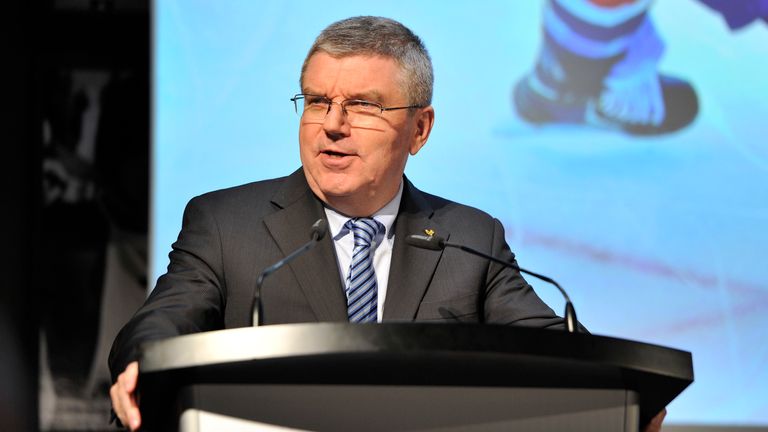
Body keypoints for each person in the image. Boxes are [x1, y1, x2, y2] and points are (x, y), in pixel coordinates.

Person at [109, 16, 665, 431]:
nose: (332, 125)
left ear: (419, 130)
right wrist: (144, 364)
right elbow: (164, 318)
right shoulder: (227, 223)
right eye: (318, 100)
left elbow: (554, 346)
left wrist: (626, 393)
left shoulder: (469, 239)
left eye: (364, 106)